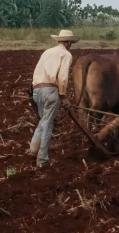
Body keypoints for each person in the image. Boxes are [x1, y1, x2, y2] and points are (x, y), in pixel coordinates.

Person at [28, 29, 80, 167]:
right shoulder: (66, 54)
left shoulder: (47, 52)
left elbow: (37, 71)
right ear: (68, 43)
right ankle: (42, 160)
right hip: (50, 90)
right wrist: (63, 95)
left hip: (37, 89)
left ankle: (33, 150)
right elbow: (62, 77)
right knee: (47, 125)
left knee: (43, 120)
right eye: (71, 43)